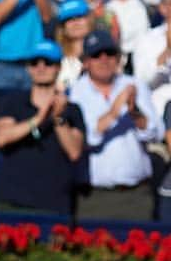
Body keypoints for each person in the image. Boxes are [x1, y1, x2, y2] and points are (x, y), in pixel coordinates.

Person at [68, 29, 159, 221]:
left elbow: (154, 132)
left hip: (136, 194)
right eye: (96, 55)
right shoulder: (76, 92)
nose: (104, 59)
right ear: (86, 61)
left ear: (118, 58)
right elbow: (87, 138)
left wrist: (134, 112)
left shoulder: (134, 84)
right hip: (94, 196)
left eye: (109, 53)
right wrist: (115, 111)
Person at [0, 39, 85, 214]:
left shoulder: (72, 110)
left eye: (48, 63)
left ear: (58, 67)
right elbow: (2, 137)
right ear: (28, 68)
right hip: (12, 201)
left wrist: (58, 119)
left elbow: (74, 152)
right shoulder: (13, 102)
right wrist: (39, 118)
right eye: (35, 63)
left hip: (53, 204)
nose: (41, 67)